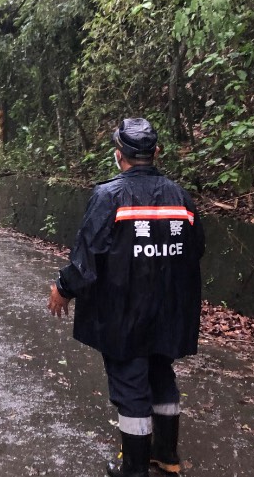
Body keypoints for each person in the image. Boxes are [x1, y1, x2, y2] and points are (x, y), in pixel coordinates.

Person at [47, 118, 204, 477]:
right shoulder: (182, 198)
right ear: (157, 154)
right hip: (169, 310)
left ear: (120, 156)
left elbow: (87, 260)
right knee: (161, 373)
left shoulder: (109, 197)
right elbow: (197, 249)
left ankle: (133, 469)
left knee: (131, 383)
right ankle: (165, 455)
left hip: (124, 313)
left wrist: (62, 288)